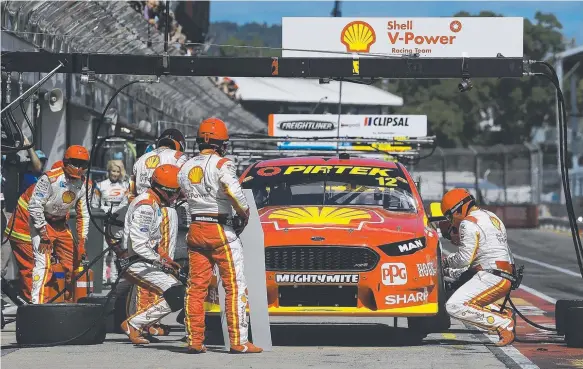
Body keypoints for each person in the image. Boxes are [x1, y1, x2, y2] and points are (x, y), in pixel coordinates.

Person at [178, 117, 262, 354]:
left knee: (195, 288)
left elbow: (182, 194)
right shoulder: (222, 164)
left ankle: (194, 340)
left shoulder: (184, 166)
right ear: (221, 144)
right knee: (235, 286)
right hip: (219, 229)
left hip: (195, 229)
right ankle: (239, 341)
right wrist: (244, 214)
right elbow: (234, 193)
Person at [4, 145, 91, 303]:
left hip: (55, 221)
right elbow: (35, 207)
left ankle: (66, 304)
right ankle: (36, 308)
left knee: (73, 262)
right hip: (25, 223)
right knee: (36, 267)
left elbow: (83, 214)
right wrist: (43, 234)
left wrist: (82, 241)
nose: (78, 169)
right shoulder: (50, 179)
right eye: (74, 163)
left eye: (82, 165)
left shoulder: (84, 184)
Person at [127, 128, 187, 336]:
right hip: (164, 210)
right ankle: (147, 321)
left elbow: (130, 191)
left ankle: (147, 320)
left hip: (143, 204)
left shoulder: (141, 159)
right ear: (178, 143)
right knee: (157, 268)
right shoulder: (179, 158)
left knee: (153, 268)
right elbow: (186, 189)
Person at [440, 188, 516, 347]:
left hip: (491, 276)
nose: (451, 220)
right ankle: (501, 313)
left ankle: (503, 323)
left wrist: (444, 262)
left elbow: (463, 260)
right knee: (464, 291)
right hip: (504, 273)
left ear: (457, 209)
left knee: (454, 305)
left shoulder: (468, 223)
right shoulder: (493, 217)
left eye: (449, 215)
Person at [120, 164, 184, 345]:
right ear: (165, 191)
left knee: (179, 292)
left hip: (143, 261)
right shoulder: (146, 207)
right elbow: (140, 245)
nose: (176, 197)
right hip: (135, 263)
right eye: (175, 192)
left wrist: (167, 260)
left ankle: (136, 323)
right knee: (177, 294)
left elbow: (153, 243)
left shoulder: (153, 203)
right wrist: (160, 262)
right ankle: (134, 324)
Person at [93, 160, 130, 285]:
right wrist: (104, 211)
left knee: (117, 252)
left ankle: (114, 278)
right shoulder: (101, 185)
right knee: (103, 251)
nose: (115, 173)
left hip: (118, 223)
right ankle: (103, 278)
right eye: (113, 171)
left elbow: (126, 204)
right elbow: (94, 204)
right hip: (104, 222)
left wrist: (117, 214)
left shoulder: (125, 186)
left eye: (117, 171)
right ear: (109, 171)